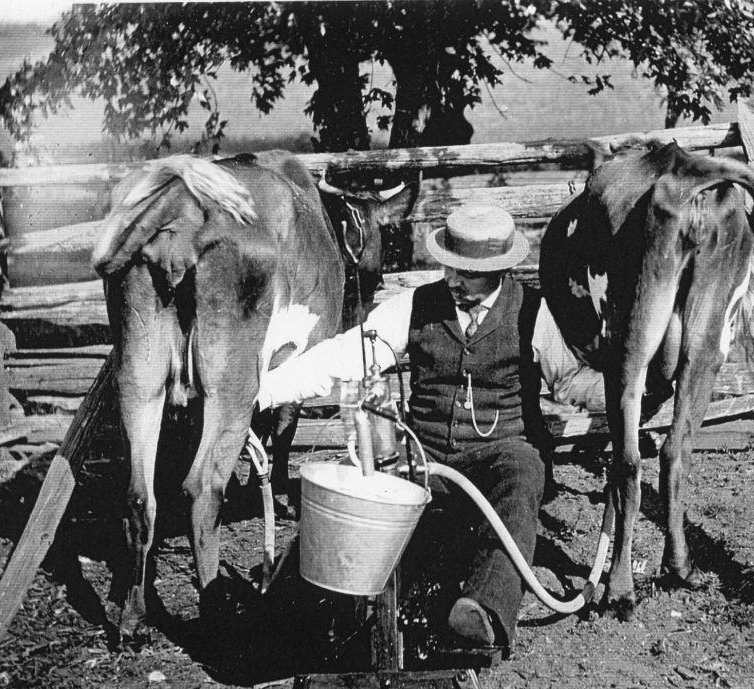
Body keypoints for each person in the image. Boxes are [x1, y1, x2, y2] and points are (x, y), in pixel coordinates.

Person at [256, 204, 603, 651]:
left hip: (501, 452)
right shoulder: (414, 307)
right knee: (357, 490)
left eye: (467, 273)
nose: (453, 280)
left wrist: (629, 394)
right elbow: (345, 355)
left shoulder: (533, 313)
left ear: (497, 271)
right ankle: (299, 600)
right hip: (424, 454)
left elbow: (571, 381)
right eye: (449, 267)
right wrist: (262, 393)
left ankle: (482, 611)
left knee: (526, 472)